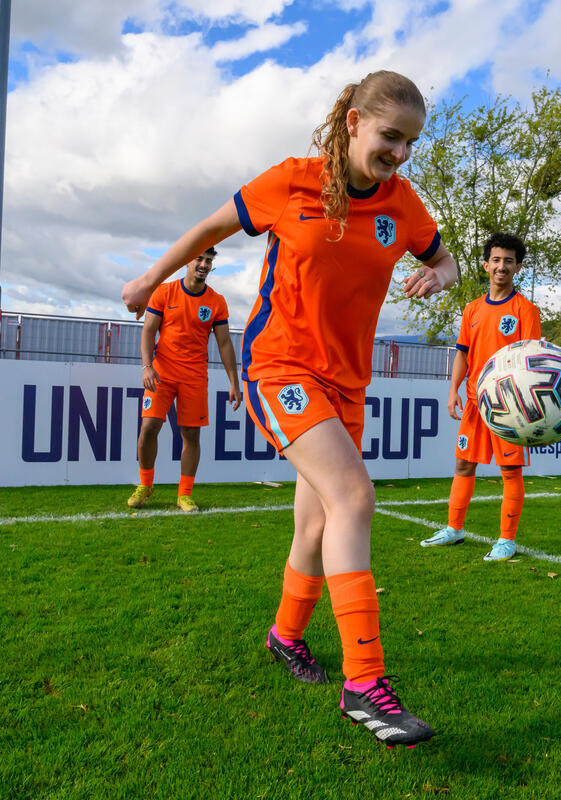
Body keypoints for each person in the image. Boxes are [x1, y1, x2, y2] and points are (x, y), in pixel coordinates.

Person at [121, 71, 458, 748]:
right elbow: (209, 226)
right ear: (353, 122)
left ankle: (285, 635)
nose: (399, 154)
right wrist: (150, 279)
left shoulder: (402, 204)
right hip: (279, 366)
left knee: (317, 522)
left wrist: (440, 274)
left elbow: (444, 258)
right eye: (390, 136)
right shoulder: (291, 182)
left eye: (411, 143)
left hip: (348, 385)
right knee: (354, 497)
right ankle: (364, 683)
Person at [420, 232, 541, 561]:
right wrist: (453, 391)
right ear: (486, 265)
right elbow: (462, 353)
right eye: (496, 260)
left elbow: (531, 359)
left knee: (510, 471)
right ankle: (454, 529)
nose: (502, 266)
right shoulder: (472, 309)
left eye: (509, 261)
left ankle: (506, 540)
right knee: (463, 464)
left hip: (509, 406)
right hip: (475, 402)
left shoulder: (526, 310)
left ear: (518, 267)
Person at [126, 247, 242, 512]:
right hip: (162, 373)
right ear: (188, 262)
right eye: (199, 259)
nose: (204, 264)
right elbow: (148, 331)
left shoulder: (216, 301)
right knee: (149, 427)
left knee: (191, 434)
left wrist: (234, 383)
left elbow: (224, 343)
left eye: (209, 261)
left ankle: (185, 494)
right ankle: (145, 485)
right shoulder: (164, 292)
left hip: (194, 377)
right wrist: (146, 367)